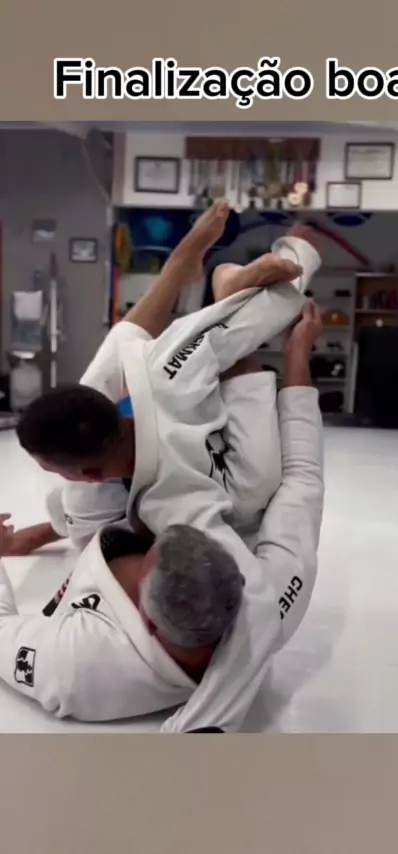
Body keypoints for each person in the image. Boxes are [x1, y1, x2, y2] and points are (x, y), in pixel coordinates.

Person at [0, 302, 323, 731]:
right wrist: (298, 354)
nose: (146, 533)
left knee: (85, 494)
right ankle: (232, 326)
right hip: (214, 464)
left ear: (148, 621)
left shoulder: (73, 667)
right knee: (256, 486)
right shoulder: (270, 597)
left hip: (171, 473)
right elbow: (303, 480)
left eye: (151, 546)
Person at [10, 211, 322, 554]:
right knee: (206, 345)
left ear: (91, 476)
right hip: (181, 391)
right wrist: (291, 257)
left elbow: (296, 481)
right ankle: (208, 284)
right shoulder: (154, 378)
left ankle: (214, 287)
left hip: (207, 455)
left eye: (49, 468)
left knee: (251, 493)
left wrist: (296, 356)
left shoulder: (173, 503)